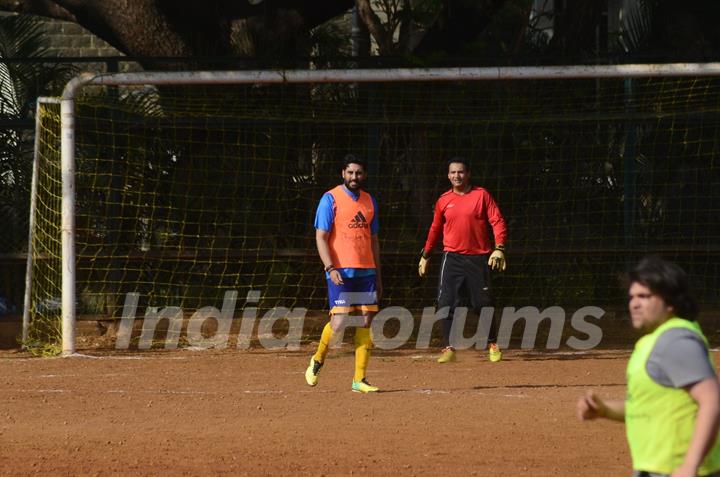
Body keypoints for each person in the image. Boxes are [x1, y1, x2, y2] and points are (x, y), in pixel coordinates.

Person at [577, 257, 720, 477]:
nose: (634, 303)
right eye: (632, 296)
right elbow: (648, 408)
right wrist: (605, 410)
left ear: (670, 302)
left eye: (644, 296)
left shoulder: (676, 341)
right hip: (657, 468)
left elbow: (712, 401)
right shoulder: (654, 341)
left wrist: (690, 465)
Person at [304, 154, 382, 393]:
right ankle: (317, 361)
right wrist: (330, 267)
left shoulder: (369, 201)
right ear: (343, 173)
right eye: (350, 172)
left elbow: (375, 240)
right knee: (339, 322)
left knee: (367, 319)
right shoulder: (330, 199)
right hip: (340, 271)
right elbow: (321, 237)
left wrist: (378, 275)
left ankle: (359, 380)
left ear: (364, 175)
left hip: (366, 271)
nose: (354, 177)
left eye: (358, 173)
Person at [418, 157, 507, 363]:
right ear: (448, 175)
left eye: (460, 172)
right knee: (446, 303)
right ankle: (448, 348)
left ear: (468, 174)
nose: (456, 176)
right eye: (452, 173)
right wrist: (426, 254)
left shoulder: (481, 195)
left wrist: (499, 248)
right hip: (452, 258)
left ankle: (492, 343)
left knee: (482, 304)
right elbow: (435, 229)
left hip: (478, 257)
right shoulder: (443, 200)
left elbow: (497, 221)